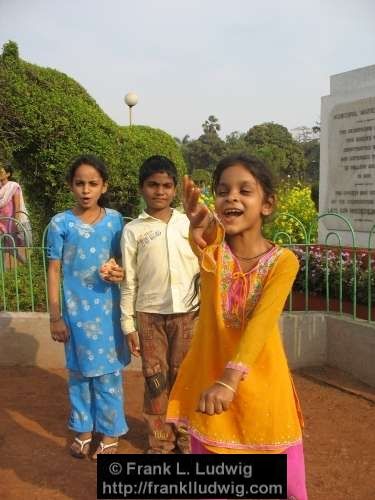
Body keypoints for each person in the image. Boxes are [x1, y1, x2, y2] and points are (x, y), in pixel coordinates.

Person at [167, 154, 308, 499]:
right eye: (222, 190)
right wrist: (195, 225)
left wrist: (230, 379)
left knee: (285, 485)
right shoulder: (214, 252)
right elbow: (203, 239)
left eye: (245, 190)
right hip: (211, 389)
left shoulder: (283, 262)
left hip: (262, 389)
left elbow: (261, 323)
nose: (231, 197)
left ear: (267, 204)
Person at [47, 154, 130, 460]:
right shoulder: (60, 223)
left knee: (108, 376)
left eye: (93, 183)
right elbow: (54, 270)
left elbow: (124, 261)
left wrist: (119, 271)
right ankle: (83, 430)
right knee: (79, 375)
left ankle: (109, 434)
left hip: (108, 314)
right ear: (71, 186)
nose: (86, 190)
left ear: (103, 186)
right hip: (75, 316)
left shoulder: (114, 220)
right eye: (80, 183)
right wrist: (55, 317)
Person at [120, 155, 199, 454]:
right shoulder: (133, 230)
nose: (160, 191)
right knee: (156, 379)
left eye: (166, 185)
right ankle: (160, 442)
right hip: (150, 315)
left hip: (189, 313)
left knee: (186, 377)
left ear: (175, 189)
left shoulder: (190, 222)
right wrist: (128, 324)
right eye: (153, 185)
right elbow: (129, 281)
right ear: (142, 188)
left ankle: (186, 438)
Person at [0, 164, 32, 265]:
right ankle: (7, 271)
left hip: (14, 221)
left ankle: (28, 264)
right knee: (7, 247)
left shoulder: (13, 186)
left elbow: (17, 206)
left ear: (8, 174)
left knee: (22, 243)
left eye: (1, 172)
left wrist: (16, 222)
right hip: (2, 222)